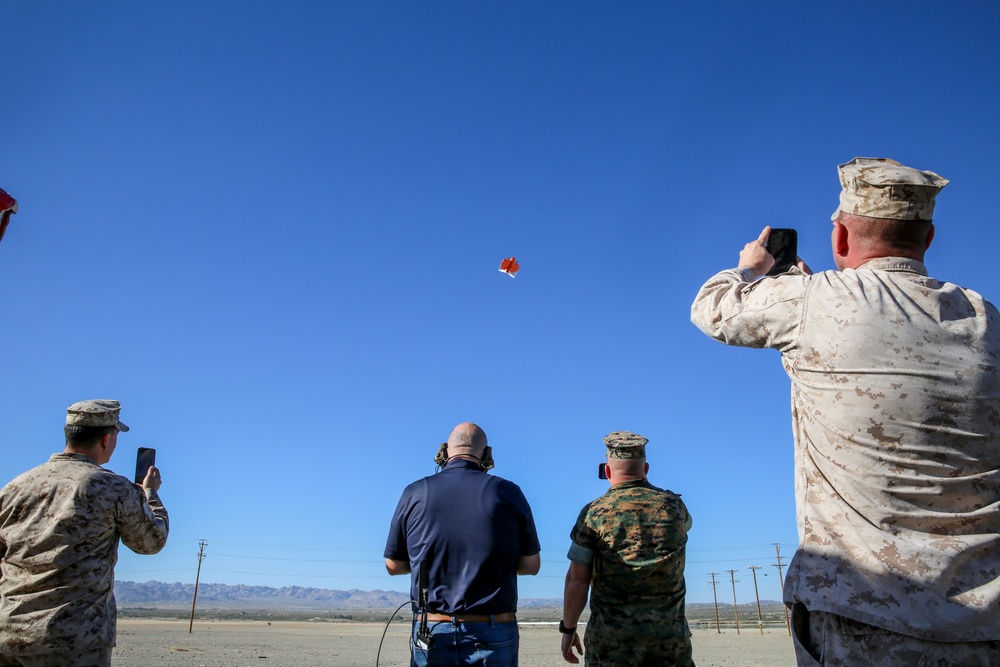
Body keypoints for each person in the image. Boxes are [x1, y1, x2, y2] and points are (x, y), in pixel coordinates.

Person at [691, 158, 1000, 665]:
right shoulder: (985, 317)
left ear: (839, 237)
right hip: (985, 619)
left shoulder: (811, 301)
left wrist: (751, 266)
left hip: (865, 616)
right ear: (927, 239)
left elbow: (712, 307)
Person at [0, 400, 169, 667]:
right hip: (75, 641)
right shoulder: (113, 488)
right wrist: (150, 494)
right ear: (106, 439)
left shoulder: (15, 488)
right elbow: (150, 541)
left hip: (11, 636)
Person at [384, 422, 541, 667]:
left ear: (445, 452)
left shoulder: (414, 492)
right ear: (487, 455)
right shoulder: (509, 493)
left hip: (433, 629)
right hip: (494, 629)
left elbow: (393, 565)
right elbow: (531, 565)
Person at [560, 431, 693, 667]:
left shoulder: (594, 514)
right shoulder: (675, 507)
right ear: (646, 468)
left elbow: (577, 581)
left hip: (611, 646)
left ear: (607, 471)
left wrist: (568, 629)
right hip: (670, 642)